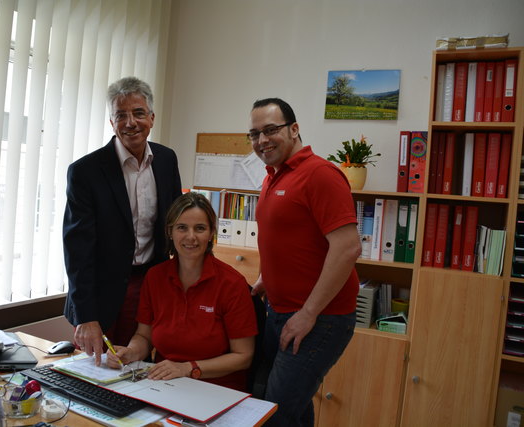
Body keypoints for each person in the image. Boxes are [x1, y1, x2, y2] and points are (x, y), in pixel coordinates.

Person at [248, 98, 361, 426]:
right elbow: (285, 238)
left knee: (273, 415)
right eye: (254, 134)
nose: (262, 140)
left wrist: (308, 314)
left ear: (294, 129)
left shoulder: (320, 175)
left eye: (271, 130)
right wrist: (264, 279)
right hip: (281, 312)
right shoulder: (272, 176)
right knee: (294, 410)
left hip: (321, 318)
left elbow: (347, 248)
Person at [63, 76, 182, 362]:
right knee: (97, 371)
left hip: (150, 285)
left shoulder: (166, 161)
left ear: (151, 118)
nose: (130, 122)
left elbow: (175, 224)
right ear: (111, 122)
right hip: (101, 291)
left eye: (139, 113)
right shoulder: (85, 171)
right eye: (121, 115)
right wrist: (86, 316)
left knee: (137, 366)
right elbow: (77, 248)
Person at [106, 192, 257, 391]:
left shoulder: (232, 284)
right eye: (182, 228)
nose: (191, 237)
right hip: (163, 383)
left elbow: (243, 356)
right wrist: (131, 352)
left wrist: (188, 368)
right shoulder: (155, 277)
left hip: (217, 390)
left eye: (200, 228)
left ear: (212, 233)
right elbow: (145, 336)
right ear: (170, 231)